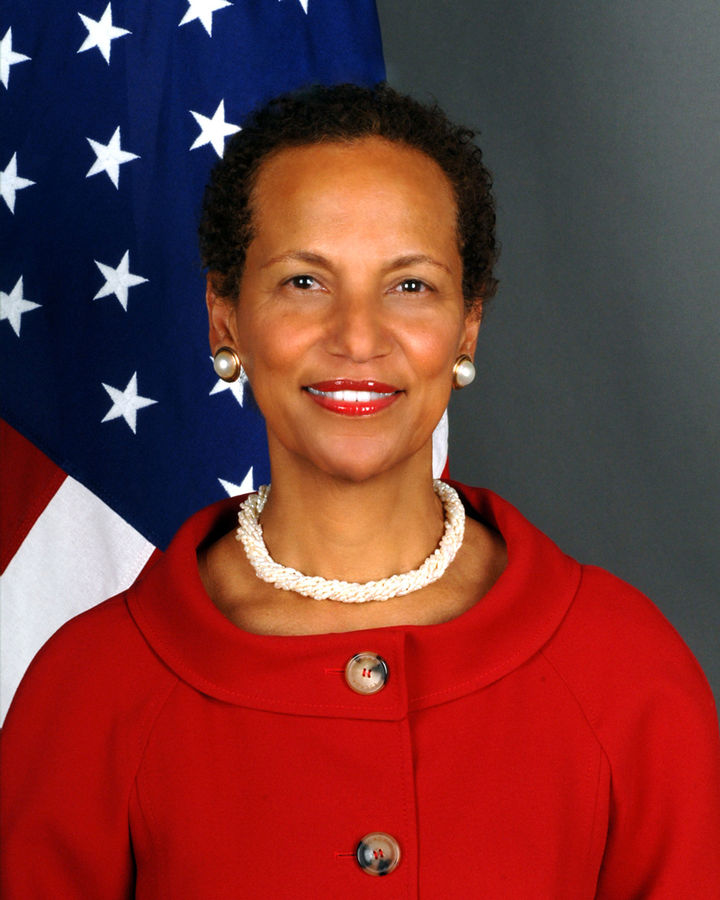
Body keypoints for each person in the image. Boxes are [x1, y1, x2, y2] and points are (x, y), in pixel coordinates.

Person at [2, 83, 719, 898]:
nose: (357, 336)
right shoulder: (91, 691)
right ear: (223, 316)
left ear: (468, 323)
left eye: (410, 285)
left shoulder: (628, 675)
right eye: (304, 281)